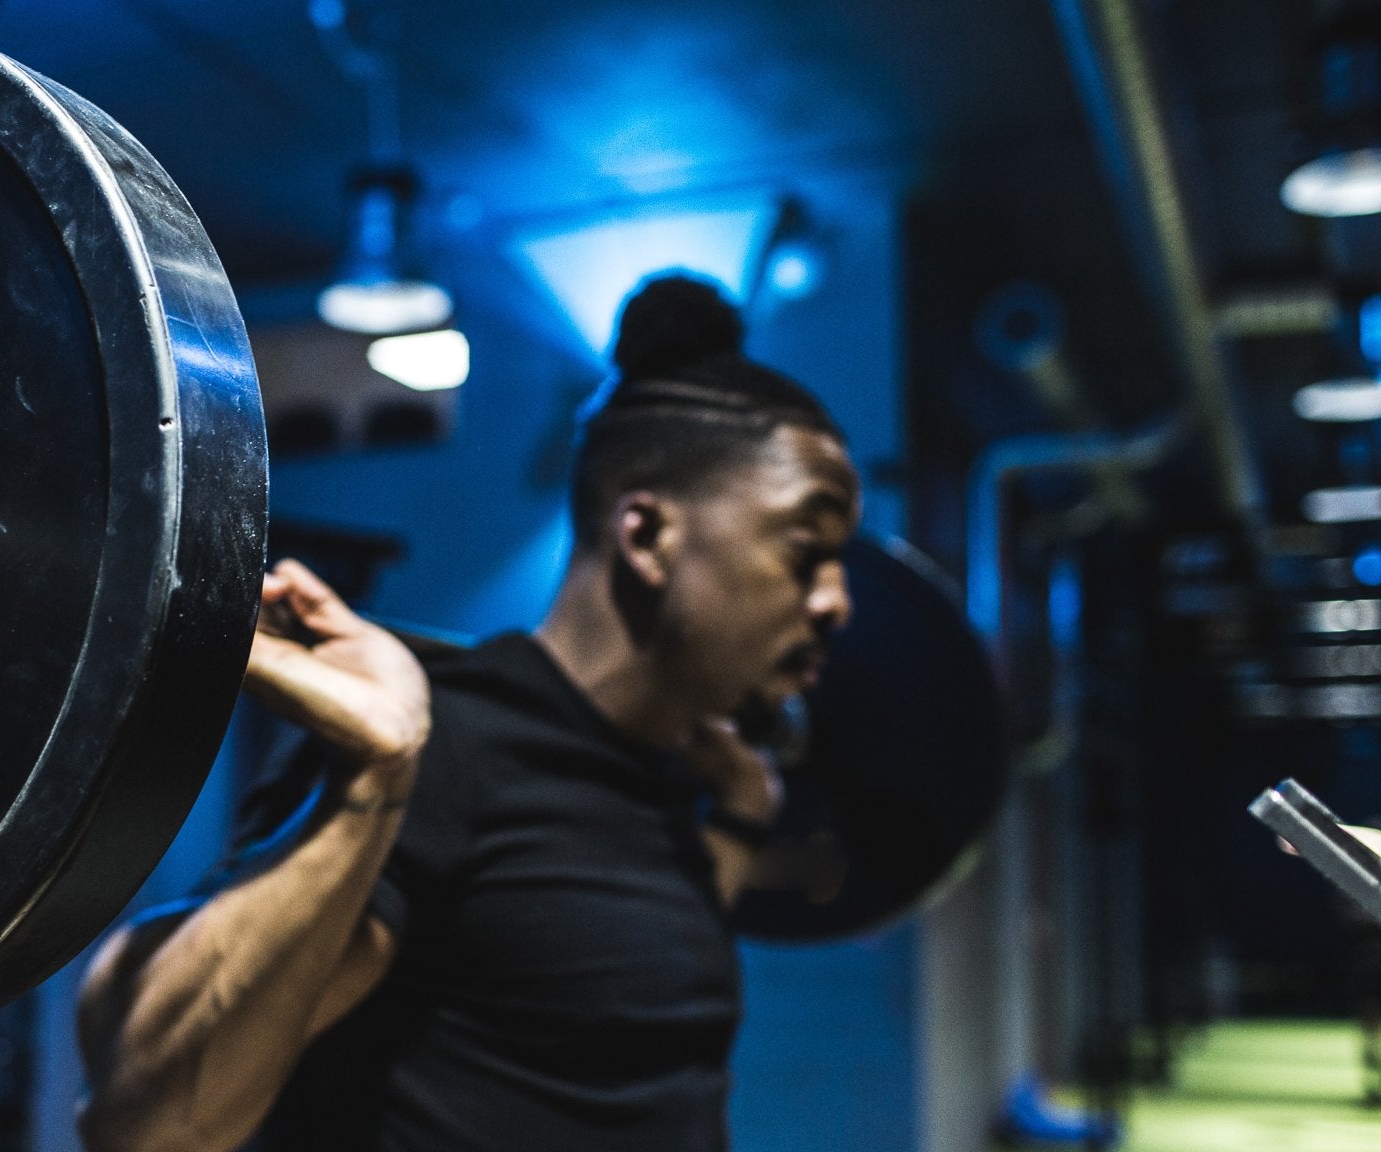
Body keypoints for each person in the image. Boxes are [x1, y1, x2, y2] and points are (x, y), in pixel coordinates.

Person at [76, 274, 861, 1152]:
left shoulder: (665, 778)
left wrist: (743, 818)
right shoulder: (446, 749)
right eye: (807, 553)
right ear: (647, 537)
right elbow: (153, 1123)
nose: (837, 603)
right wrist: (378, 774)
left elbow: (621, 1001)